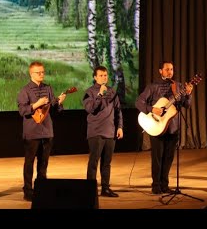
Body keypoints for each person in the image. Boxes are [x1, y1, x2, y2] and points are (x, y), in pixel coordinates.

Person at [135, 60, 194, 195]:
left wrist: (189, 94)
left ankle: (165, 185)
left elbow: (187, 105)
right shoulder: (153, 86)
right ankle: (156, 185)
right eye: (167, 69)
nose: (169, 72)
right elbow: (138, 102)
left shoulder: (178, 86)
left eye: (171, 69)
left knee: (168, 157)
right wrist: (152, 109)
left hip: (173, 127)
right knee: (157, 157)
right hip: (156, 126)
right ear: (160, 71)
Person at [17, 61, 67, 202]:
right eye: (38, 72)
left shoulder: (48, 88)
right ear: (31, 74)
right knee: (29, 162)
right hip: (32, 132)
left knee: (43, 162)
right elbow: (22, 110)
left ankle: (42, 188)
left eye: (43, 72)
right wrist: (36, 105)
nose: (41, 75)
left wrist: (60, 102)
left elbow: (55, 109)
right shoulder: (25, 90)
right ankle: (28, 190)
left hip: (47, 131)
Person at [82, 66, 124, 198]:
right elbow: (91, 109)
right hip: (96, 132)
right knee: (94, 161)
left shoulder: (112, 91)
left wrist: (120, 127)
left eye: (105, 75)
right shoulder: (89, 92)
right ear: (95, 77)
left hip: (110, 132)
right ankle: (90, 190)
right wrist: (100, 94)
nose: (104, 77)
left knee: (107, 163)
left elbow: (118, 110)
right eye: (101, 75)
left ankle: (105, 188)